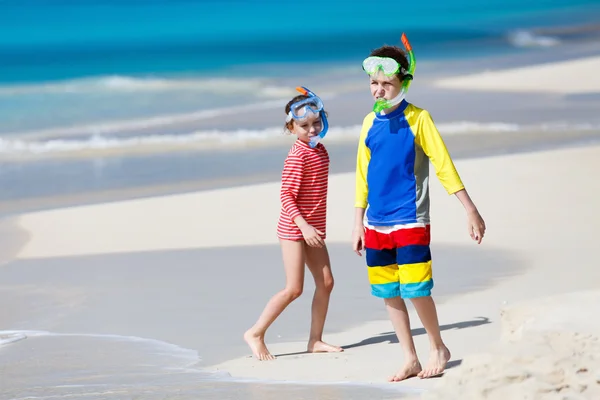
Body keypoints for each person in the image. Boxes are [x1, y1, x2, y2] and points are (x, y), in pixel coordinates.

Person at [352, 41, 486, 381]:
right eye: (374, 83)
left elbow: (443, 165)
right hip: (376, 223)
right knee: (389, 292)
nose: (378, 89)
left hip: (410, 217)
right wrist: (357, 222)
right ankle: (409, 357)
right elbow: (362, 176)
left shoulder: (419, 119)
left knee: (417, 288)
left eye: (387, 84)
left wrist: (470, 210)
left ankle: (437, 346)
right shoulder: (369, 123)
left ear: (403, 83)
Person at [244, 87, 343, 361]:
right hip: (294, 229)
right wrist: (304, 226)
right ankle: (255, 332)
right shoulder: (297, 156)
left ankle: (315, 340)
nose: (311, 129)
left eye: (316, 123)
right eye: (304, 125)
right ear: (291, 127)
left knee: (326, 282)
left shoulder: (320, 152)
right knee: (294, 288)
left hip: (312, 229)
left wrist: (314, 226)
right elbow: (286, 196)